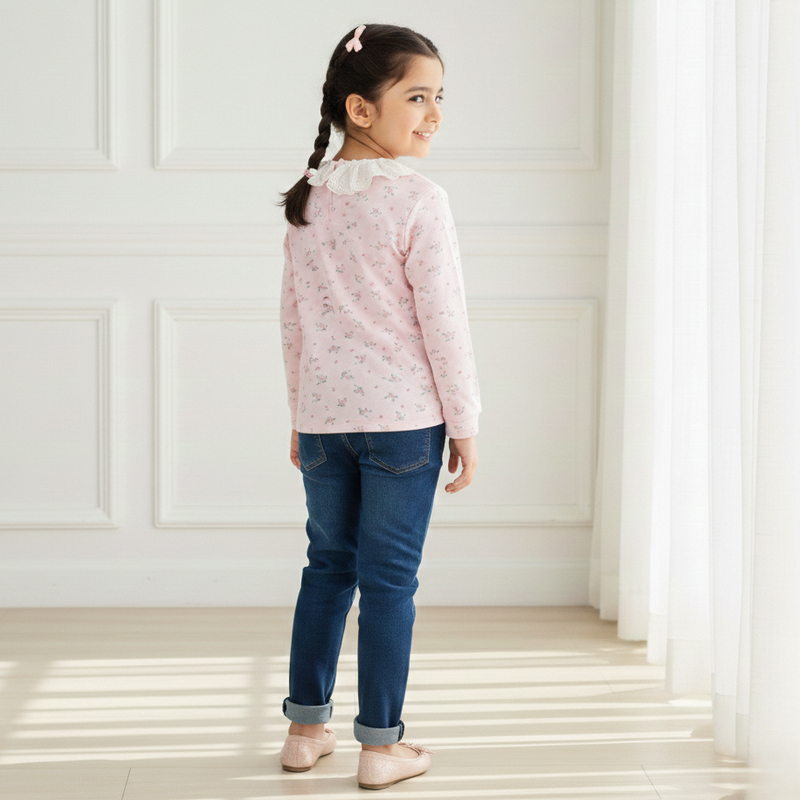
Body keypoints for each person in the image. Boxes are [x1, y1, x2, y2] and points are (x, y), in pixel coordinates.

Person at [276, 22, 481, 790]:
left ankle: (304, 728)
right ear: (360, 110)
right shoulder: (419, 200)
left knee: (326, 568)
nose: (433, 114)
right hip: (403, 424)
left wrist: (298, 413)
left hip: (326, 424)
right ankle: (380, 745)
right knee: (389, 580)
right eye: (417, 97)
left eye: (438, 99)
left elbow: (293, 321)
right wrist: (465, 423)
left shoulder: (308, 200)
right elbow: (445, 322)